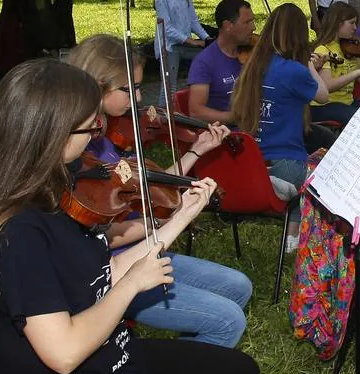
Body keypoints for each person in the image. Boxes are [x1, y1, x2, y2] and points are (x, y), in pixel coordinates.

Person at [0, 59, 274, 374]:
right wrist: (132, 285)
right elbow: (63, 352)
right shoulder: (18, 234)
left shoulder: (56, 188)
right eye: (89, 128)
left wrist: (178, 219)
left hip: (113, 363)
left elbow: (101, 274)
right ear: (50, 133)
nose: (95, 137)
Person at [68, 35, 253, 349]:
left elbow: (145, 189)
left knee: (239, 286)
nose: (139, 99)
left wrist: (196, 151)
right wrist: (166, 220)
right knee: (228, 318)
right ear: (97, 86)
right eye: (130, 89)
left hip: (147, 248)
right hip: (112, 273)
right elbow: (102, 235)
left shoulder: (109, 136)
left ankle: (183, 358)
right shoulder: (75, 152)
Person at [230, 4, 330, 214]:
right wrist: (308, 63)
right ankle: (295, 226)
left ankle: (276, 196)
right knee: (329, 167)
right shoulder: (295, 71)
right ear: (300, 37)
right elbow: (323, 96)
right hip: (286, 165)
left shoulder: (251, 67)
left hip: (251, 162)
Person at [186, 0, 255, 126]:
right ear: (228, 26)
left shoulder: (251, 52)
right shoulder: (204, 62)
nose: (253, 27)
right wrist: (233, 117)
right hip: (229, 136)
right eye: (247, 22)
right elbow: (196, 112)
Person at [311, 2, 360, 125]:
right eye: (351, 23)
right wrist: (357, 73)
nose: (355, 28)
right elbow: (327, 85)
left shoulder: (348, 49)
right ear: (337, 23)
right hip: (325, 106)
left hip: (347, 103)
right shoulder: (323, 50)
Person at [153, 0, 210, 93]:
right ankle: (164, 112)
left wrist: (207, 39)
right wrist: (191, 41)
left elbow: (193, 22)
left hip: (184, 45)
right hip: (169, 47)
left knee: (206, 57)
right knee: (169, 88)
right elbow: (166, 28)